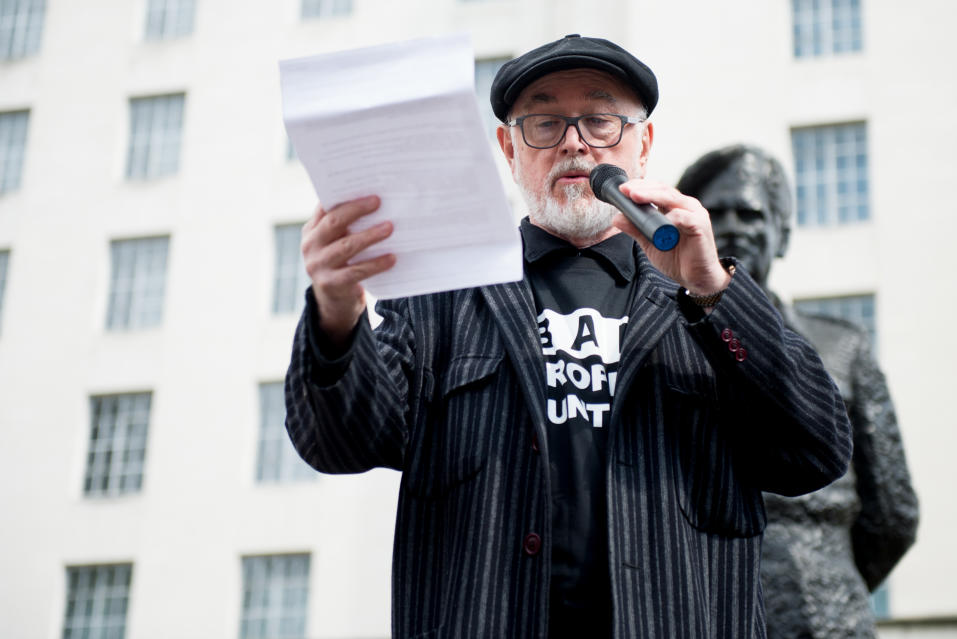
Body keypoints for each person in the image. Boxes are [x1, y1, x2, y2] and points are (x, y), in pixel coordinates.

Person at [284, 35, 852, 639]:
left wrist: (714, 293)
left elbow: (815, 453)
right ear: (508, 147)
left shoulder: (701, 299)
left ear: (643, 143)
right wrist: (337, 311)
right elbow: (338, 442)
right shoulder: (444, 297)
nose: (575, 142)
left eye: (601, 120)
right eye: (545, 123)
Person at [677, 144, 919, 639]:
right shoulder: (665, 346)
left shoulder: (843, 345)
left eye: (750, 213)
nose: (733, 225)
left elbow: (892, 513)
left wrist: (832, 576)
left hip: (827, 611)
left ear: (781, 234)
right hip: (706, 606)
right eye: (714, 212)